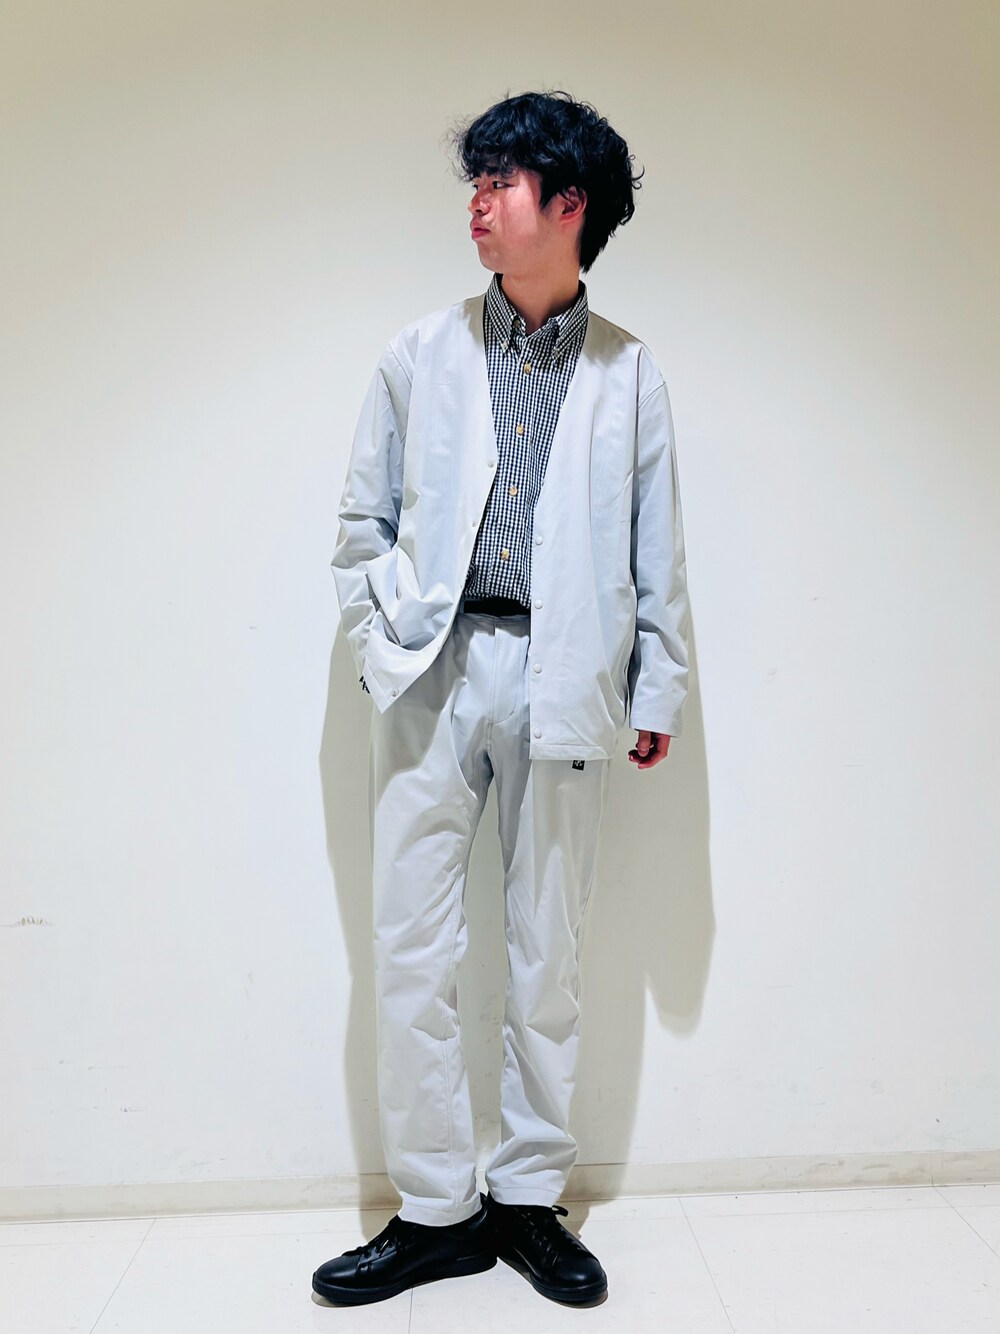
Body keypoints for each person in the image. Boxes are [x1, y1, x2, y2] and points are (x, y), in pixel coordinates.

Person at [314, 88, 690, 1309]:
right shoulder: (417, 354)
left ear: (568, 204)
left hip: (564, 674)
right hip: (435, 672)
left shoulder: (629, 373)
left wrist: (656, 685)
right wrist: (381, 636)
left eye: (501, 182)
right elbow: (360, 520)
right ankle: (435, 1209)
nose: (476, 203)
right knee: (409, 944)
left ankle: (528, 1197)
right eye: (473, 182)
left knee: (547, 950)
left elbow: (657, 551)